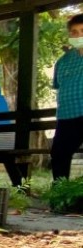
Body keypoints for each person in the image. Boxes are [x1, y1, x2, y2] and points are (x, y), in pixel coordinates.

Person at [51, 14, 83, 181]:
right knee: (58, 155)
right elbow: (57, 86)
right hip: (67, 116)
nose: (79, 36)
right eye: (74, 32)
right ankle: (60, 200)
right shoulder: (62, 62)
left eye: (82, 31)